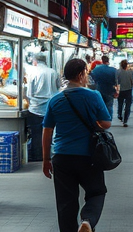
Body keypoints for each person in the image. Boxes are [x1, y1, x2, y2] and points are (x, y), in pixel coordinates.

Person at [42, 58, 111, 232]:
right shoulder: (93, 95)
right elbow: (106, 122)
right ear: (81, 74)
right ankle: (87, 221)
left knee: (65, 203)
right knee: (96, 191)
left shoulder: (55, 100)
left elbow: (47, 131)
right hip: (89, 156)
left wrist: (45, 160)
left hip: (62, 156)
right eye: (86, 73)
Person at [25, 52, 61, 162]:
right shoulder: (53, 72)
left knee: (36, 133)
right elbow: (58, 87)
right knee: (50, 132)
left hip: (35, 108)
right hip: (51, 107)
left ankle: (38, 155)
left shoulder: (32, 72)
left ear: (35, 61)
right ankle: (49, 153)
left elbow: (29, 93)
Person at [115, 60, 133, 127]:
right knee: (128, 105)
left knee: (120, 103)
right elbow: (132, 82)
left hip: (120, 90)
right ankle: (125, 120)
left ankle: (119, 114)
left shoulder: (117, 72)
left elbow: (116, 81)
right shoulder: (130, 72)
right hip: (128, 90)